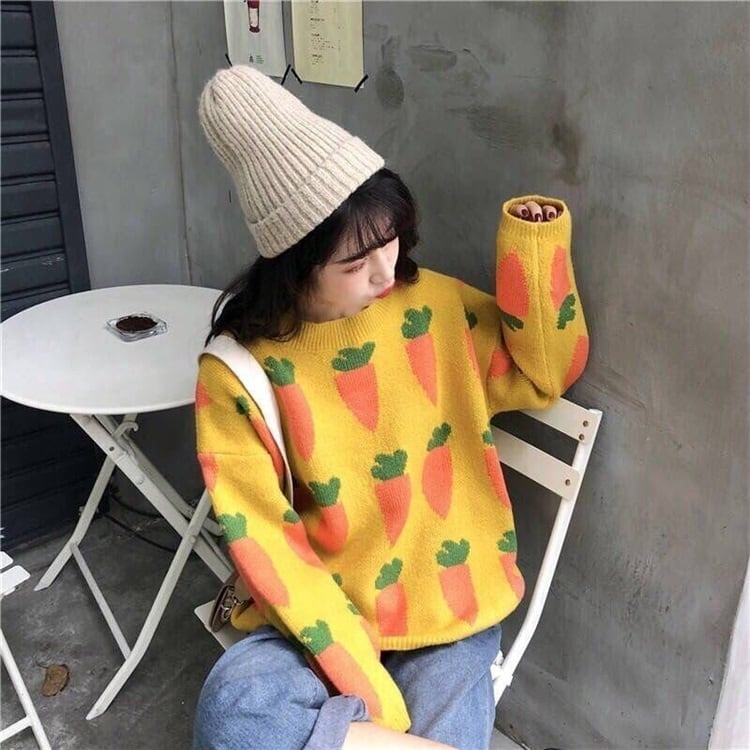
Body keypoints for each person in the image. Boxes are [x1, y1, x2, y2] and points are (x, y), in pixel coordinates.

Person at [193, 65, 589, 750]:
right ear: (295, 263)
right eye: (355, 263)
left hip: (450, 609)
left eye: (390, 241)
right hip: (315, 621)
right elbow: (271, 548)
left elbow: (547, 372)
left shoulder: (430, 307)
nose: (386, 272)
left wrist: (533, 249)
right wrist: (370, 697)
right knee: (235, 711)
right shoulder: (237, 373)